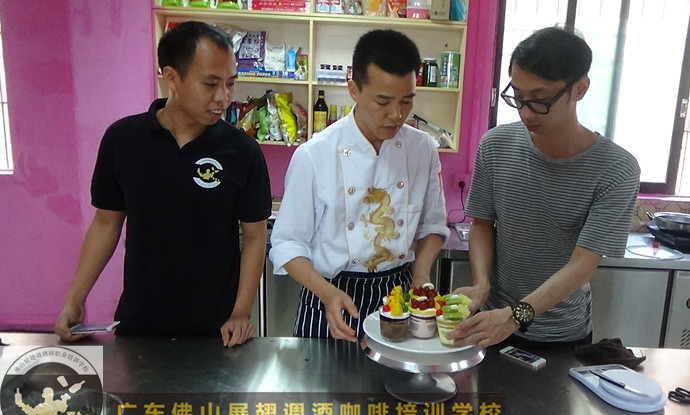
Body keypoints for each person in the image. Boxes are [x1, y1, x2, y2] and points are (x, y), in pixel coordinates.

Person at [54, 21, 271, 347]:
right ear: (171, 77)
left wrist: (241, 312)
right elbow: (106, 224)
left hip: (217, 331)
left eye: (230, 83)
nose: (224, 97)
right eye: (210, 84)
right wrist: (75, 298)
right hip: (141, 323)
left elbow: (255, 238)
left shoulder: (243, 152)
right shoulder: (123, 140)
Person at [448, 27, 640, 350]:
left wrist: (516, 316)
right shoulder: (495, 145)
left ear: (579, 89)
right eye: (518, 97)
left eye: (539, 100)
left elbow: (583, 263)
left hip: (561, 335)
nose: (525, 112)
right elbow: (482, 224)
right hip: (491, 324)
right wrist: (481, 285)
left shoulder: (616, 169)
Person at [269, 29, 449, 342]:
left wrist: (421, 275)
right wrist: (326, 293)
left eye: (407, 100)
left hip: (397, 297)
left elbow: (433, 225)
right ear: (354, 89)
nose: (397, 114)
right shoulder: (315, 155)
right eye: (383, 101)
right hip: (328, 295)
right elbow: (286, 243)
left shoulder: (423, 150)